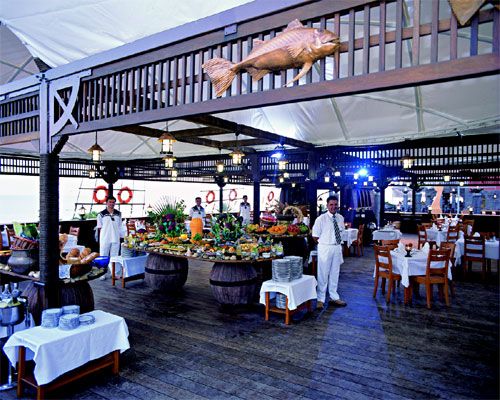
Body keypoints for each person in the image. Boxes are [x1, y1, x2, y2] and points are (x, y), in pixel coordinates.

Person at [312, 195, 347, 309]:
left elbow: (341, 233)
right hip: (325, 248)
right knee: (323, 274)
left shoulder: (340, 218)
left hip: (337, 247)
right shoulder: (321, 219)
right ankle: (320, 299)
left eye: (335, 204)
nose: (333, 207)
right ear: (327, 205)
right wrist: (324, 243)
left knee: (335, 273)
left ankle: (334, 297)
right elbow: (315, 236)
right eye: (331, 204)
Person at [96, 196, 123, 279]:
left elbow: (120, 226)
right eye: (110, 202)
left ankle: (114, 273)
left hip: (116, 238)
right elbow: (99, 227)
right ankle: (101, 274)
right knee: (103, 255)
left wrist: (121, 236)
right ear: (106, 203)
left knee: (114, 257)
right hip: (105, 238)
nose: (111, 204)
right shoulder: (101, 214)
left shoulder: (119, 213)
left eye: (113, 202)